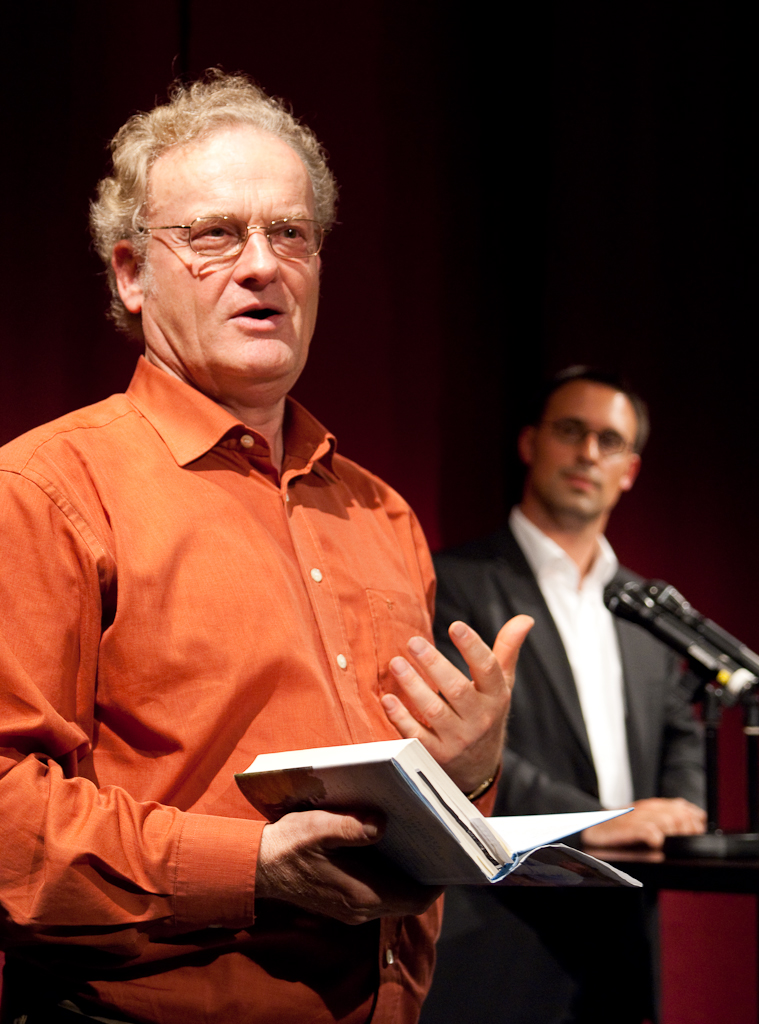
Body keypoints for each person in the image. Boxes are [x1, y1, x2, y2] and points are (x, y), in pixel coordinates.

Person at [0, 72, 531, 1024]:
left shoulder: (381, 513)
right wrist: (255, 869)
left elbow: (411, 823)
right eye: (214, 234)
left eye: (290, 233)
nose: (261, 265)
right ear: (129, 272)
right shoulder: (44, 492)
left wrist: (471, 769)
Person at [420, 367, 706, 1024]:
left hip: (622, 943)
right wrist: (594, 821)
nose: (587, 454)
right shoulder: (452, 582)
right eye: (571, 432)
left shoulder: (650, 609)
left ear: (629, 469)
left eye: (609, 441)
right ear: (530, 443)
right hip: (502, 935)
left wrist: (683, 813)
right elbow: (459, 743)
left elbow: (680, 733)